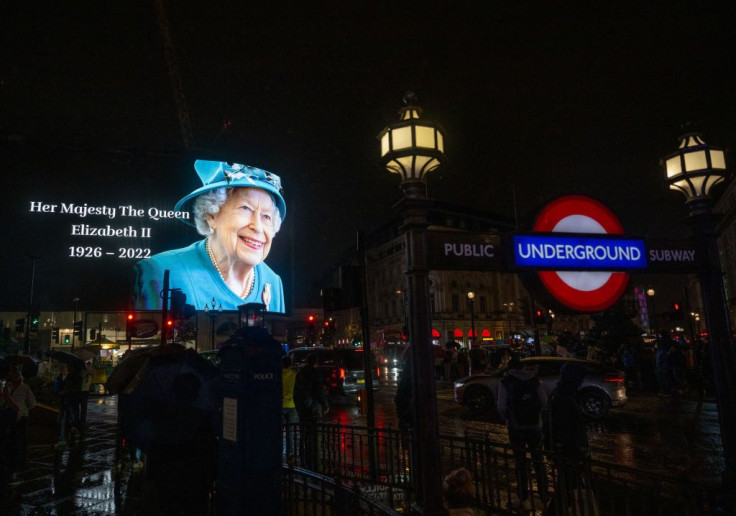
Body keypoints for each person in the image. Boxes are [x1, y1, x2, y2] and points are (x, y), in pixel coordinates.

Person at [134, 160, 286, 312]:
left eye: (266, 216)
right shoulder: (161, 272)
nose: (258, 227)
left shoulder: (272, 281)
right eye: (245, 208)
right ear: (211, 215)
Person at [496, 356, 548, 510]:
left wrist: (507, 418)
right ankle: (545, 497)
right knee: (539, 460)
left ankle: (523, 499)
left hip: (515, 427)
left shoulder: (506, 382)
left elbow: (501, 406)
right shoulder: (534, 380)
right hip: (534, 426)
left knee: (520, 462)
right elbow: (544, 402)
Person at [547, 362, 590, 513]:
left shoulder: (563, 394)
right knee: (566, 486)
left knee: (566, 487)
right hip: (568, 451)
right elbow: (564, 426)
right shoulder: (563, 397)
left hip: (567, 449)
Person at [294, 354, 328, 467]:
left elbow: (296, 392)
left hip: (303, 407)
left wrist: (299, 406)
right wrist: (325, 404)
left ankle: (303, 456)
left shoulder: (300, 373)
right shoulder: (315, 374)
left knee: (303, 432)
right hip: (314, 408)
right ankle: (314, 460)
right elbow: (319, 392)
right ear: (315, 362)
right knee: (315, 434)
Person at [1, 370, 36, 480]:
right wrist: (23, 408)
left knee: (6, 441)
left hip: (6, 416)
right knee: (19, 443)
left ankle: (6, 464)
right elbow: (32, 404)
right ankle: (17, 468)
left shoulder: (6, 387)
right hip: (21, 417)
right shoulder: (25, 387)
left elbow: (2, 402)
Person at [56, 363, 82, 448]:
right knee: (67, 419)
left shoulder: (75, 377)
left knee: (65, 419)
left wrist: (66, 392)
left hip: (70, 400)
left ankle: (63, 438)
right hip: (68, 400)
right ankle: (70, 433)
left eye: (68, 366)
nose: (67, 367)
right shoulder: (70, 376)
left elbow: (75, 390)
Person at [281, 355, 299, 457]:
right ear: (290, 364)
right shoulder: (294, 375)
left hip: (280, 405)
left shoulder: (278, 375)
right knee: (290, 431)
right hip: (291, 405)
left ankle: (278, 451)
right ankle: (290, 453)